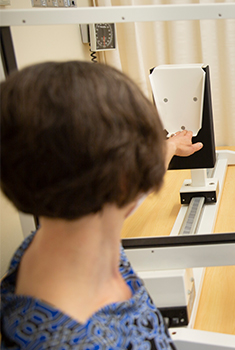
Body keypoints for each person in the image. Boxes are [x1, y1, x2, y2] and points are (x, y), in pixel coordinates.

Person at [0, 61, 203, 349]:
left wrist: (170, 145)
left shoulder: (59, 232)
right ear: (122, 181)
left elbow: (132, 179)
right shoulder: (75, 342)